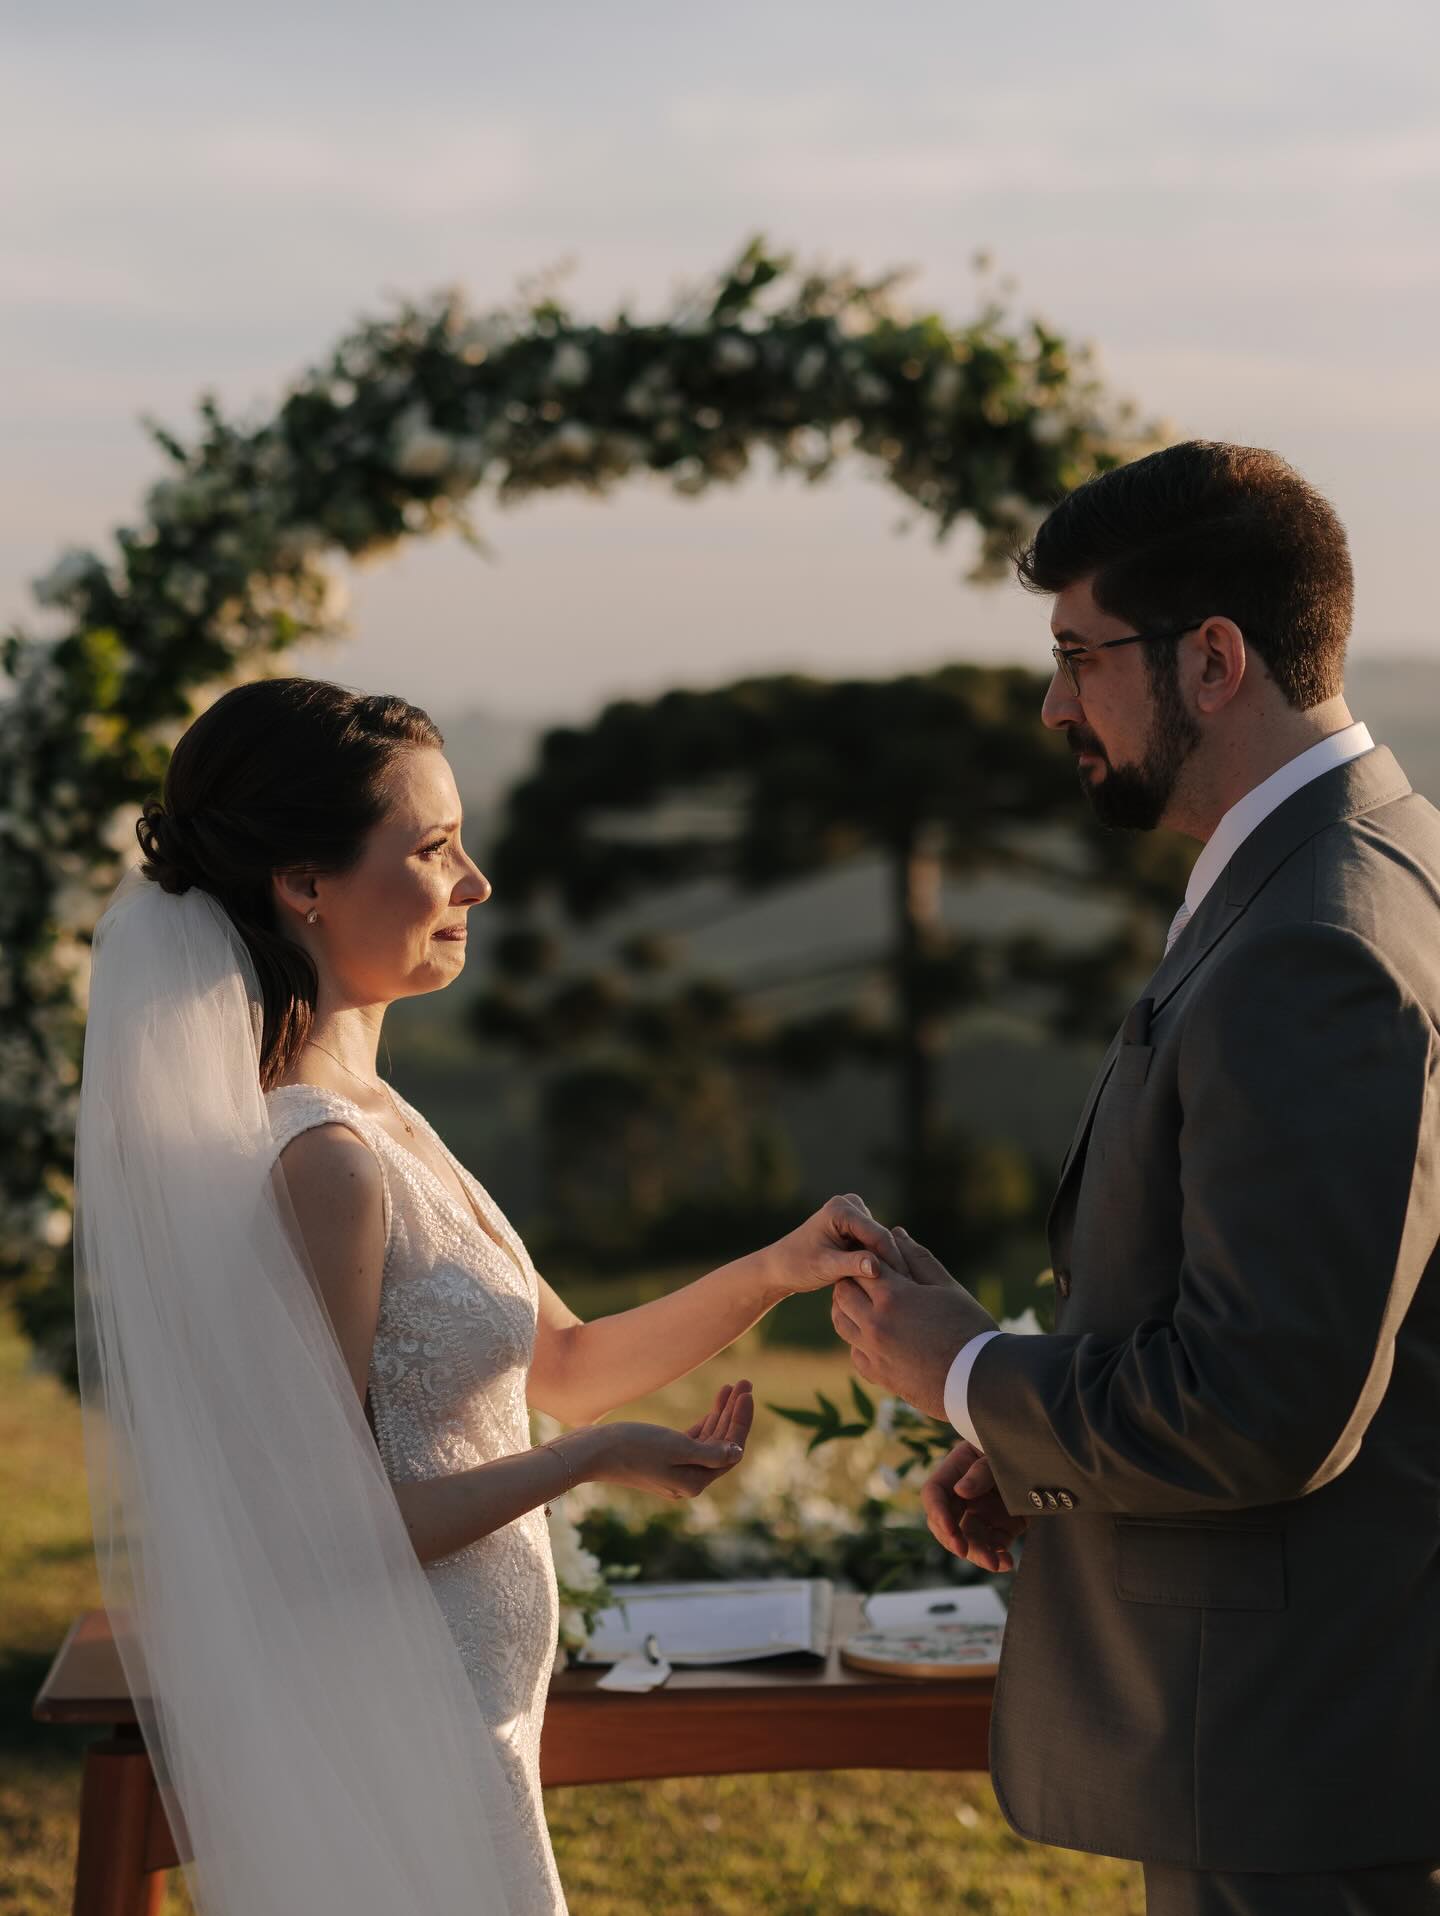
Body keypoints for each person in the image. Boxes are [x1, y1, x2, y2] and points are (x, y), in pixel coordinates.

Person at [74, 674, 892, 1916]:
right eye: (434, 849)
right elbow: (321, 1526)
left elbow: (565, 1363)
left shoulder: (385, 1117)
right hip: (402, 1718)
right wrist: (586, 1460)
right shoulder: (325, 1160)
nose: (477, 883)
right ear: (303, 882)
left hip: (478, 1715)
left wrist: (779, 1267)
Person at [830, 443, 1440, 1914]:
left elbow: (1264, 1402)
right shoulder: (1376, 857)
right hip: (1325, 1723)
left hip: (1290, 1756)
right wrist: (1040, 1442)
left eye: (1078, 656)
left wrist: (967, 1370)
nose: (1055, 705)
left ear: (1214, 659)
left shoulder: (1311, 942)